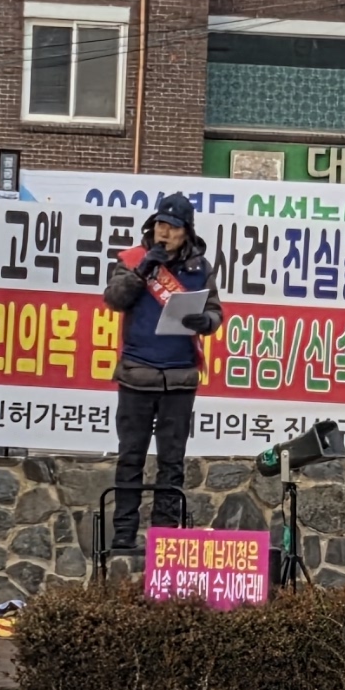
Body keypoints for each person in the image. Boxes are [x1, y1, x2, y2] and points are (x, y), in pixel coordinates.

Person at [101, 194, 226, 560]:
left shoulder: (200, 267)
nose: (164, 232)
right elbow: (114, 299)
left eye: (172, 227)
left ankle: (165, 537)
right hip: (136, 375)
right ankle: (123, 536)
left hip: (180, 378)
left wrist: (206, 322)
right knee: (131, 458)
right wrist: (144, 270)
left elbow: (215, 312)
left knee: (172, 462)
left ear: (186, 232)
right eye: (159, 225)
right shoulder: (133, 260)